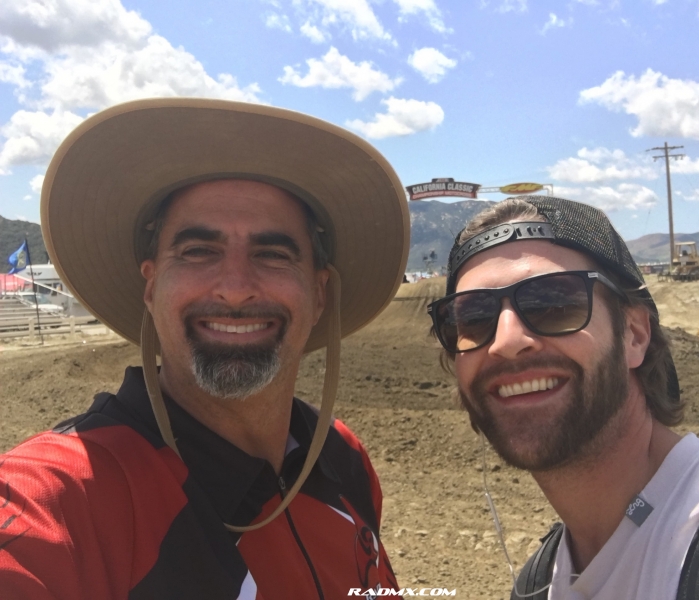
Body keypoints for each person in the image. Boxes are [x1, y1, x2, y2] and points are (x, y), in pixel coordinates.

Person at [0, 98, 410, 599]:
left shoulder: (342, 456)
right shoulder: (60, 497)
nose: (235, 289)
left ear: (319, 292)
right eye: (198, 251)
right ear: (151, 286)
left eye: (272, 253)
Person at [427, 196, 699, 599]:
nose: (506, 341)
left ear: (634, 336)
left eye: (552, 302)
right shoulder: (543, 580)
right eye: (474, 316)